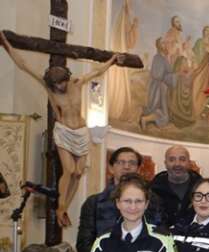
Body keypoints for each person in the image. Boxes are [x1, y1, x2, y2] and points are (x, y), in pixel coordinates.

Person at [1, 32, 123, 227]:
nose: (60, 86)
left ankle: (65, 206)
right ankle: (61, 206)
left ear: (67, 78)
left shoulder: (77, 83)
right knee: (68, 170)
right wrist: (6, 44)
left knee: (79, 172)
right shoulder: (49, 88)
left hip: (81, 131)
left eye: (62, 82)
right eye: (57, 84)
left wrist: (112, 60)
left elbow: (98, 71)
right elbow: (24, 65)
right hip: (64, 131)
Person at [76, 147, 163, 252]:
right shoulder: (94, 203)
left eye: (132, 163)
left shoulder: (152, 200)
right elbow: (84, 243)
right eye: (121, 162)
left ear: (138, 169)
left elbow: (159, 234)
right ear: (111, 168)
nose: (126, 167)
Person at [151, 145, 201, 228]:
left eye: (182, 159)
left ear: (189, 163)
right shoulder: (153, 190)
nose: (177, 164)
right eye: (171, 160)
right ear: (165, 163)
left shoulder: (201, 188)